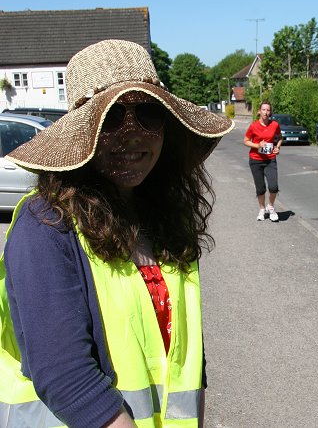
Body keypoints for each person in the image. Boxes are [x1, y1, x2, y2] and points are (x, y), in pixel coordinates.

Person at [0, 39, 233, 427]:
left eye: (148, 114)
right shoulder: (45, 226)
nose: (133, 135)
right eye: (110, 119)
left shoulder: (166, 219)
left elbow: (188, 361)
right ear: (81, 136)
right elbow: (66, 377)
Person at [243, 101, 282, 222]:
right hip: (256, 160)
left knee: (273, 187)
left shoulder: (274, 125)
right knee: (260, 188)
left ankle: (270, 207)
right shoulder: (254, 126)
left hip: (270, 160)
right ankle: (261, 209)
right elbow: (245, 141)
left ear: (270, 112)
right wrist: (257, 145)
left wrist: (277, 147)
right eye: (263, 110)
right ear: (259, 111)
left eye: (268, 110)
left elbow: (279, 138)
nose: (266, 112)